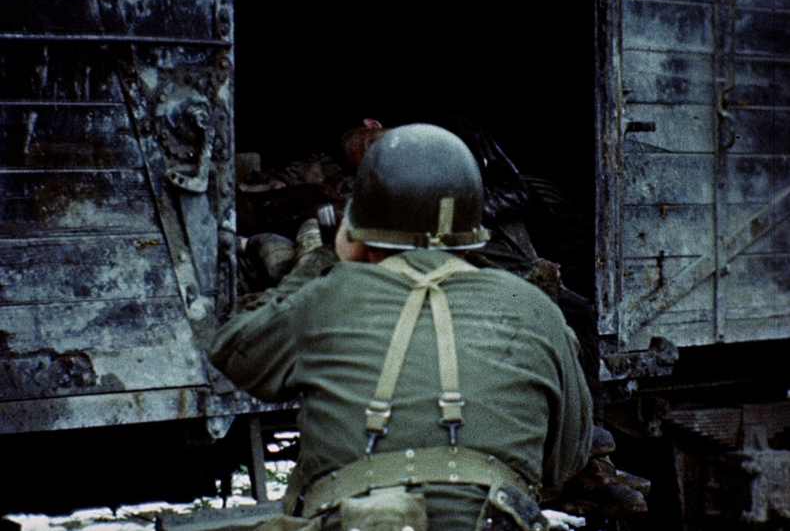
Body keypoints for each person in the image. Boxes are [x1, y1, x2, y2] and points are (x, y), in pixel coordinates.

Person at [209, 123, 593, 530]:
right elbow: (565, 460)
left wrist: (324, 258)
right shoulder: (531, 305)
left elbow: (233, 349)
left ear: (359, 233)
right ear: (471, 236)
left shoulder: (332, 294)